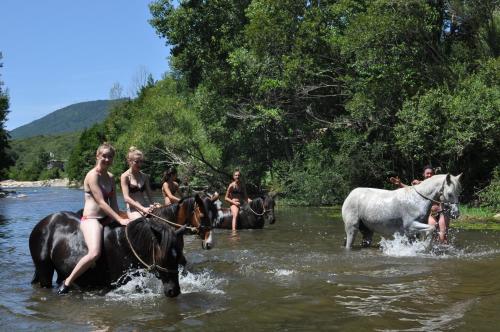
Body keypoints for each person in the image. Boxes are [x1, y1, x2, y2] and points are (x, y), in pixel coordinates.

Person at [58, 143, 130, 295]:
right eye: (104, 155)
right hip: (92, 219)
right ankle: (67, 282)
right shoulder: (92, 176)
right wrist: (120, 219)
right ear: (97, 156)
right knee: (94, 253)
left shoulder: (110, 178)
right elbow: (102, 203)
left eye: (110, 156)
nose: (107, 159)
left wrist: (124, 219)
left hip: (108, 218)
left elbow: (114, 205)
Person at [390, 165, 450, 244]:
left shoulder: (437, 184)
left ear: (434, 174)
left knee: (443, 236)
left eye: (431, 173)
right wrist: (400, 184)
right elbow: (410, 190)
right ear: (423, 174)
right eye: (427, 173)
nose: (429, 175)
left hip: (442, 212)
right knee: (431, 235)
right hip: (431, 214)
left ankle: (444, 251)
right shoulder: (420, 185)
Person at [120, 147, 156, 220]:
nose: (140, 164)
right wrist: (143, 209)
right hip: (133, 208)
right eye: (137, 162)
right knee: (143, 223)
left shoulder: (145, 176)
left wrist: (154, 204)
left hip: (146, 205)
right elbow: (126, 198)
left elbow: (150, 195)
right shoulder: (125, 176)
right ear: (129, 161)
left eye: (141, 161)